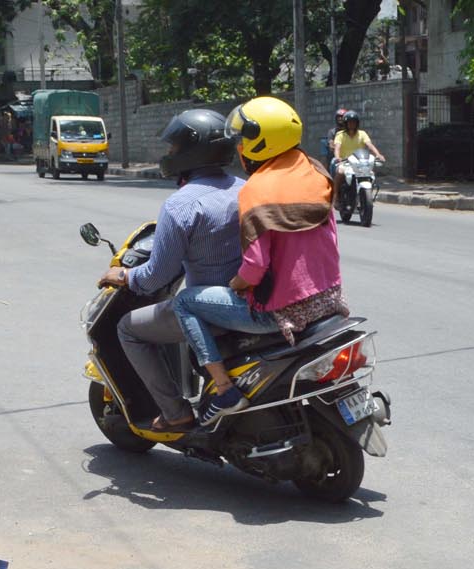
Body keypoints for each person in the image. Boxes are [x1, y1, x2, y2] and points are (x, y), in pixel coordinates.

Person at [174, 96, 348, 424]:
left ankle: (224, 390)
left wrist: (235, 284)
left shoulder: (258, 190)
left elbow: (254, 269)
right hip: (330, 299)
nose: (239, 147)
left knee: (184, 302)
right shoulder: (315, 170)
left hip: (283, 313)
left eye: (243, 139)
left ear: (261, 143)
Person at [97, 109, 245, 432]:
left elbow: (156, 277)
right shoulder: (245, 189)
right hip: (249, 302)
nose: (169, 153)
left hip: (213, 312)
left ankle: (175, 412)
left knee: (127, 328)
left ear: (192, 150)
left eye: (174, 147)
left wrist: (123, 275)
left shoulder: (181, 205)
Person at [330, 110, 386, 202]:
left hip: (359, 163)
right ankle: (335, 197)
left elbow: (370, 145)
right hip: (345, 163)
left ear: (357, 123)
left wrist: (378, 154)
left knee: (371, 173)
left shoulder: (362, 134)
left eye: (354, 122)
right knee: (340, 173)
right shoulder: (340, 135)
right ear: (346, 124)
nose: (352, 124)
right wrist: (337, 157)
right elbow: (337, 148)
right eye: (349, 122)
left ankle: (367, 194)